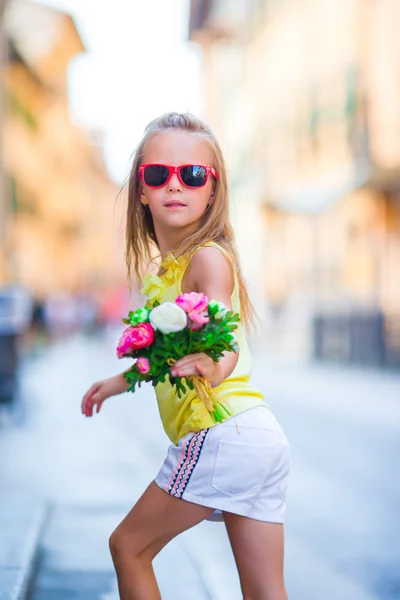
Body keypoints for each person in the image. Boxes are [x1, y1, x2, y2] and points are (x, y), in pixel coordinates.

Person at [81, 112, 291, 600]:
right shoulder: (172, 267)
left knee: (128, 547)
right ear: (140, 189)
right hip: (258, 437)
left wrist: (214, 366)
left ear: (212, 190)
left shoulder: (207, 258)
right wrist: (120, 381)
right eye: (159, 174)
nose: (175, 186)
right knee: (265, 591)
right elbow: (167, 348)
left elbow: (227, 340)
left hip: (220, 432)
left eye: (192, 175)